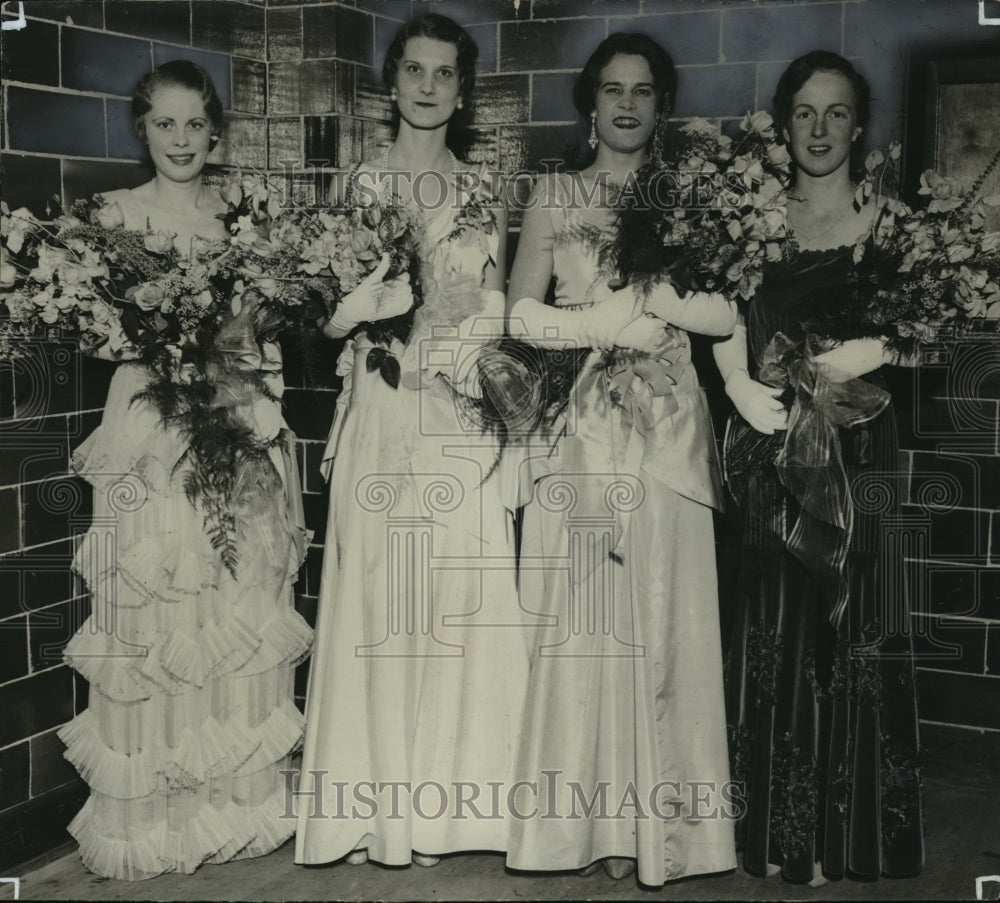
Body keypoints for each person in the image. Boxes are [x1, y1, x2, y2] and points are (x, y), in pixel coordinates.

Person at [58, 60, 312, 880]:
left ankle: (233, 806)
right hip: (148, 425)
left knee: (232, 596)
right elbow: (94, 336)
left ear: (216, 131)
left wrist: (258, 404)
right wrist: (159, 333)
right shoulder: (112, 216)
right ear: (143, 129)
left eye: (195, 125)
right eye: (164, 125)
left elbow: (263, 333)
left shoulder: (241, 220)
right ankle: (158, 813)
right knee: (156, 600)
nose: (180, 140)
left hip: (231, 414)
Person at [504, 33, 740, 886]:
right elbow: (521, 314)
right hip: (592, 423)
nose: (627, 104)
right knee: (590, 621)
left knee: (667, 612)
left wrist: (667, 305)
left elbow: (726, 306)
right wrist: (598, 325)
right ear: (590, 103)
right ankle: (582, 830)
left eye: (643, 90)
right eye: (612, 90)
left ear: (662, 103)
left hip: (672, 423)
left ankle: (672, 836)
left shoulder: (692, 195)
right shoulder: (557, 192)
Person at [294, 13, 527, 868]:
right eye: (415, 71)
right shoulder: (359, 186)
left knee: (454, 603)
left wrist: (475, 354)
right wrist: (354, 314)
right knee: (383, 604)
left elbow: (495, 303)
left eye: (444, 74)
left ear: (461, 92)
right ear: (392, 85)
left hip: (458, 415)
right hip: (385, 416)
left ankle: (449, 810)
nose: (428, 87)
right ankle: (373, 808)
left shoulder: (482, 190)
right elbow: (324, 315)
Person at [713, 51, 924, 883]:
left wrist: (871, 350)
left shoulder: (892, 222)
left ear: (860, 124)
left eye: (837, 113)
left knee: (852, 617)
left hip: (859, 440)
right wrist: (735, 380)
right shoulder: (750, 216)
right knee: (776, 621)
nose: (820, 129)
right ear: (782, 122)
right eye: (804, 112)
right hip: (769, 438)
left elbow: (923, 329)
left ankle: (849, 834)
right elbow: (723, 308)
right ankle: (772, 833)